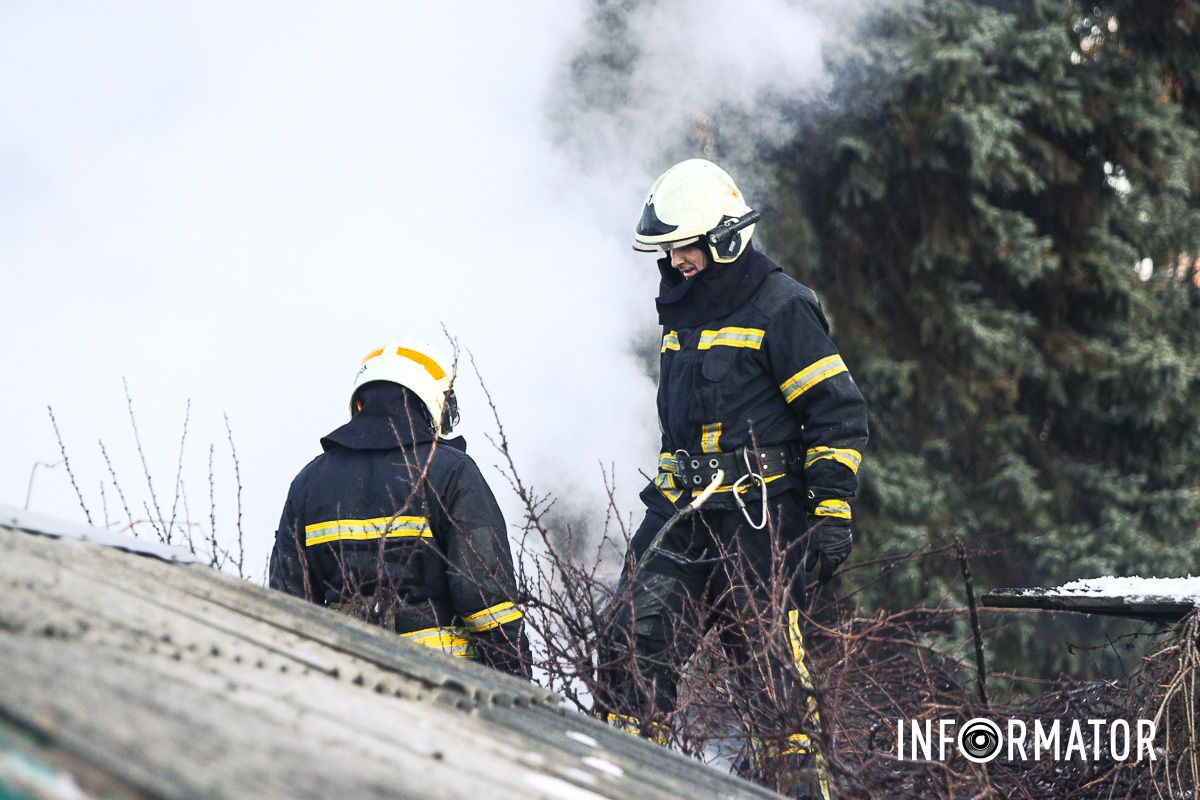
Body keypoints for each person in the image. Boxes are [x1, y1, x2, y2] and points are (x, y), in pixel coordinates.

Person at [600, 159, 868, 796]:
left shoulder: (784, 307)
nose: (673, 263)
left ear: (723, 237)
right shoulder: (684, 307)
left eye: (683, 248)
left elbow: (837, 414)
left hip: (758, 519)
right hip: (681, 514)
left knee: (773, 683)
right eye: (666, 252)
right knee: (632, 646)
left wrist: (831, 510)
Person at [269, 336, 529, 679]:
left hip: (345, 684)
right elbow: (485, 596)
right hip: (445, 686)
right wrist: (517, 679)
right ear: (429, 399)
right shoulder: (451, 471)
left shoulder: (308, 481)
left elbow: (287, 604)